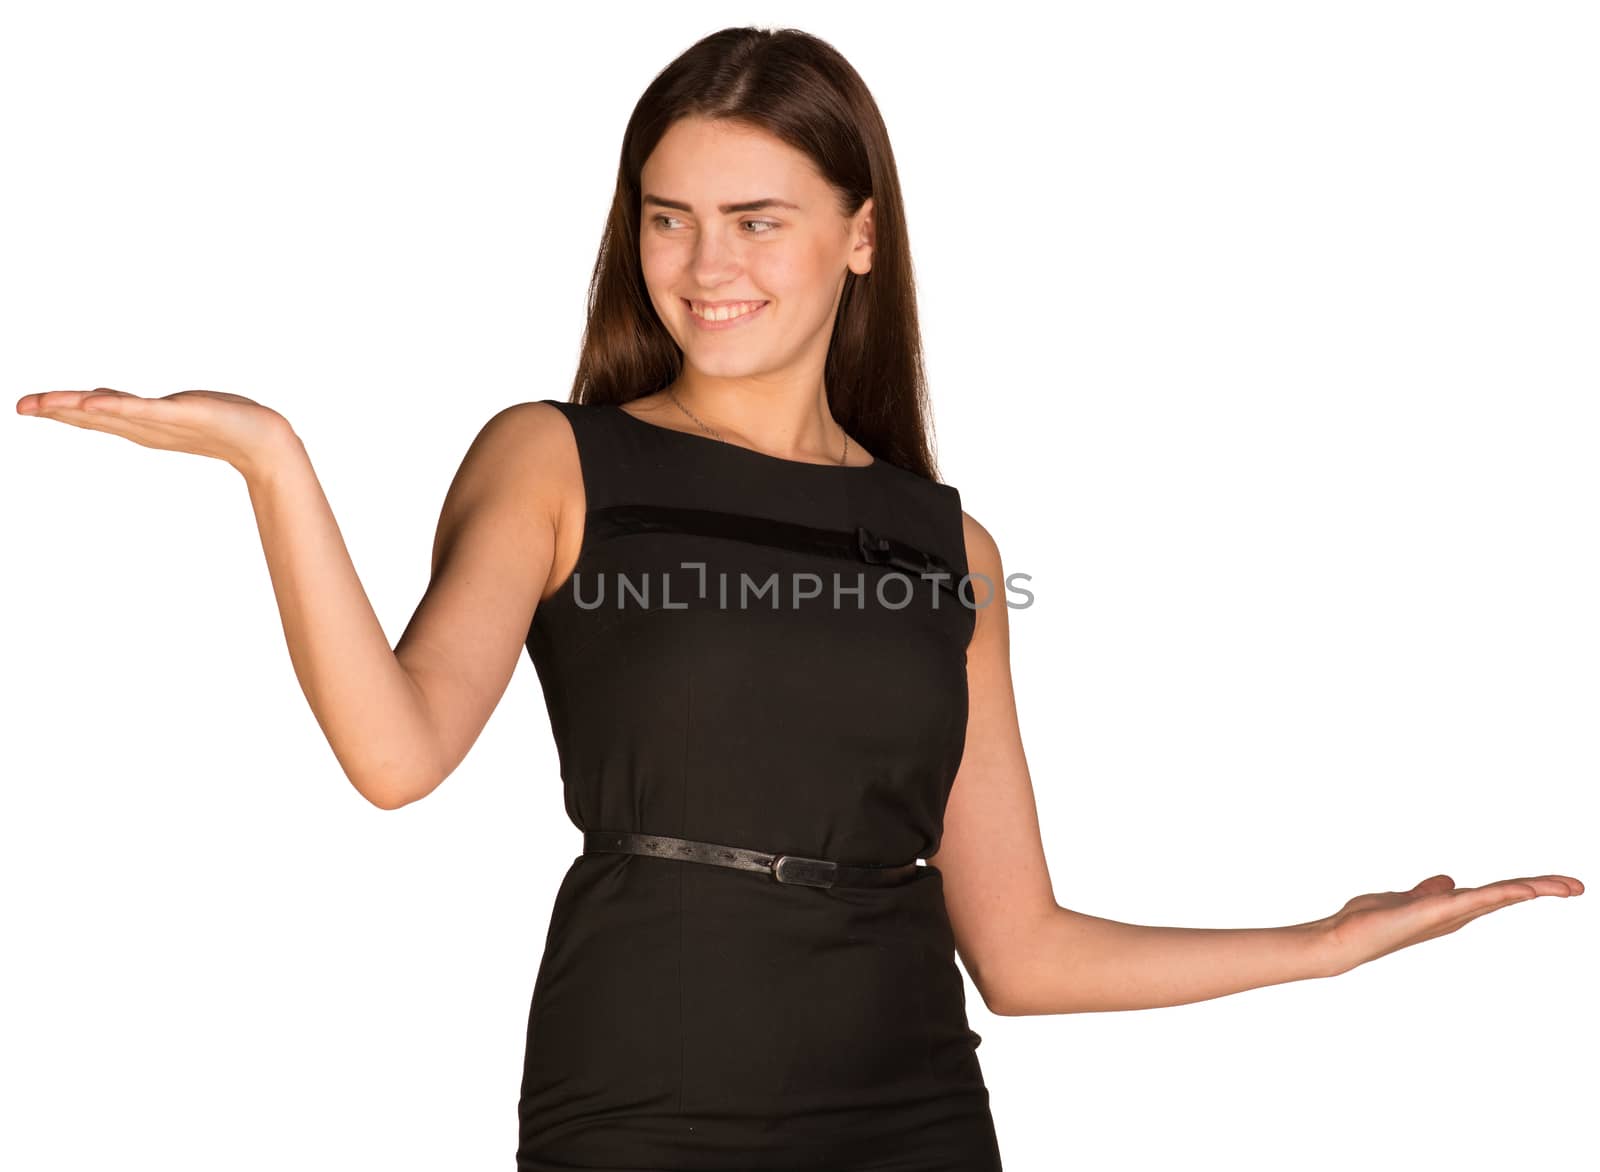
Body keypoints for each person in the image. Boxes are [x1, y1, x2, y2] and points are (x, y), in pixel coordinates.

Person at [17, 23, 1582, 1172]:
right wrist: (274, 464)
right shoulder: (559, 461)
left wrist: (1330, 940)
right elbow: (396, 752)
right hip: (647, 1087)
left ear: (860, 235)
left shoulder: (949, 547)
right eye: (667, 215)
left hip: (910, 1106)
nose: (705, 265)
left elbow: (1022, 954)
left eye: (757, 219)